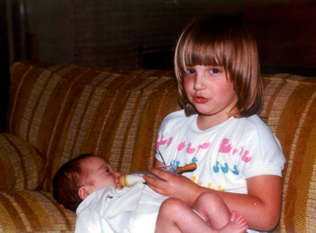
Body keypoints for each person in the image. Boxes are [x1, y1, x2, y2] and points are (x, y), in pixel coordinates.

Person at [144, 14, 286, 233]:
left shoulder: (252, 135)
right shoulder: (172, 125)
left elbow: (267, 216)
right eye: (191, 71)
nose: (198, 84)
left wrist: (192, 193)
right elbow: (157, 189)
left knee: (203, 203)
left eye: (214, 70)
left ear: (241, 74)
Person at [53, 153, 248, 233]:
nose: (118, 173)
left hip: (188, 224)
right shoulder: (92, 208)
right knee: (172, 208)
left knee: (209, 198)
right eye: (107, 171)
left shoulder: (129, 190)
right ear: (85, 192)